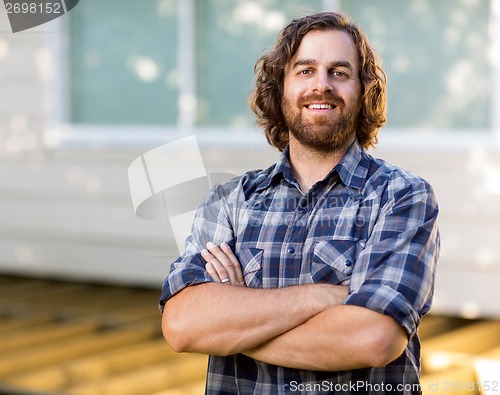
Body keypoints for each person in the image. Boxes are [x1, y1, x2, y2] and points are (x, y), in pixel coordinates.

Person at [160, 11, 440, 395]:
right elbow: (183, 326)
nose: (321, 85)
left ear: (363, 90)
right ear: (281, 88)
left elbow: (373, 338)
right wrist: (326, 296)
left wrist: (233, 324)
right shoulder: (230, 202)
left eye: (339, 72)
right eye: (305, 70)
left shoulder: (401, 196)